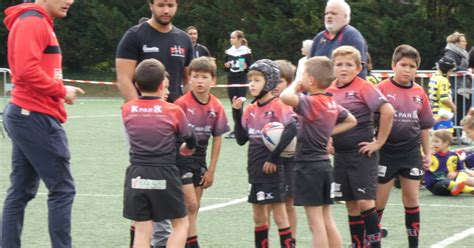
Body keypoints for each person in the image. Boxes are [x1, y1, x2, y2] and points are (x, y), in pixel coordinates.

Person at [2, 1, 84, 247]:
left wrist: (58, 92)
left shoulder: (39, 21)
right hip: (34, 115)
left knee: (20, 191)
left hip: (28, 114)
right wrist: (61, 90)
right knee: (62, 190)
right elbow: (26, 72)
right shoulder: (33, 22)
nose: (70, 1)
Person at [280, 56, 357, 248]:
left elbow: (284, 97)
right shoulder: (331, 103)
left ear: (311, 80)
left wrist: (296, 86)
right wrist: (327, 132)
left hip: (308, 166)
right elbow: (351, 120)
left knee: (315, 223)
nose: (301, 78)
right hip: (324, 165)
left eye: (303, 75)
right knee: (326, 218)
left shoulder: (310, 102)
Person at [122, 58, 197, 248]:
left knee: (142, 228)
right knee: (181, 224)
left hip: (137, 173)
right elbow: (190, 138)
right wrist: (187, 149)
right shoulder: (173, 110)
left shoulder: (127, 109)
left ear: (137, 85)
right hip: (164, 171)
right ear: (163, 84)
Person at [326, 46, 394, 248]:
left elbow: (388, 111)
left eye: (349, 64)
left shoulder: (363, 87)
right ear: (333, 67)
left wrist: (379, 142)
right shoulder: (330, 90)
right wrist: (328, 139)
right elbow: (326, 120)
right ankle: (358, 244)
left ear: (358, 68)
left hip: (362, 155)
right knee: (351, 205)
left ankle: (374, 245)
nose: (343, 68)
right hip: (341, 156)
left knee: (365, 203)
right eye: (339, 64)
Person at [232, 59, 296, 248]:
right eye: (250, 79)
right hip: (255, 170)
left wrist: (273, 157)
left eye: (257, 79)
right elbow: (241, 139)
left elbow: (292, 129)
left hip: (273, 170)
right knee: (258, 218)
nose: (251, 83)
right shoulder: (250, 109)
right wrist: (237, 114)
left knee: (279, 216)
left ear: (269, 82)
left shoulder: (279, 105)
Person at [375, 45, 435, 248]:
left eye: (412, 66)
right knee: (378, 203)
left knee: (411, 200)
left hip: (410, 153)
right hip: (385, 152)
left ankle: (413, 244)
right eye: (403, 65)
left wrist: (427, 153)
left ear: (417, 69)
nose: (407, 70)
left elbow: (425, 126)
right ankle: (372, 242)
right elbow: (370, 119)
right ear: (393, 65)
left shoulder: (419, 92)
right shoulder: (382, 89)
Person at [174, 57, 229, 248]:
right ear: (189, 79)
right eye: (195, 76)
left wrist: (211, 170)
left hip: (200, 160)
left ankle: (183, 242)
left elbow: (218, 138)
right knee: (190, 205)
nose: (199, 81)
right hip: (181, 158)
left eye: (204, 77)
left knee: (193, 209)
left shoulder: (216, 106)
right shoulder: (181, 104)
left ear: (213, 81)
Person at [116, 0, 194, 103]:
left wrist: (186, 108)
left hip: (174, 113)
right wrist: (140, 109)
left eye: (170, 5)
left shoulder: (184, 39)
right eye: (161, 5)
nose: (166, 10)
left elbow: (189, 81)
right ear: (151, 6)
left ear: (177, 6)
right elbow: (124, 79)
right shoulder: (133, 36)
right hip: (144, 113)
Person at [268, 59, 297, 241]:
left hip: (291, 159)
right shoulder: (263, 103)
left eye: (280, 81)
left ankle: (290, 241)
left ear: (289, 83)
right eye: (273, 81)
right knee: (268, 204)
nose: (276, 85)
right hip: (268, 160)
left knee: (288, 203)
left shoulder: (294, 103)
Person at [310, 0, 368, 78]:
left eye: (334, 13)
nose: (329, 16)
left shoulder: (352, 36)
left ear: (345, 17)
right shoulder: (319, 38)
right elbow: (309, 67)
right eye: (326, 13)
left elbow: (358, 71)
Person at [426, 130, 474, 196]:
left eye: (436, 141)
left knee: (463, 174)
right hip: (438, 186)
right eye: (432, 141)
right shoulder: (430, 155)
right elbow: (421, 165)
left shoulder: (454, 155)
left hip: (453, 186)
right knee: (445, 182)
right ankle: (469, 190)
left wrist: (455, 173)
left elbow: (461, 169)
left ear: (445, 143)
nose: (433, 144)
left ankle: (459, 186)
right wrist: (427, 155)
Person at [224, 30, 253, 138]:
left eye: (233, 38)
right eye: (231, 37)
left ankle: (242, 128)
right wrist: (227, 65)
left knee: (240, 103)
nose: (231, 39)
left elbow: (250, 67)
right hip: (231, 80)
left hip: (241, 80)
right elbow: (225, 67)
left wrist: (245, 66)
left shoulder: (246, 51)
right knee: (233, 104)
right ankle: (236, 129)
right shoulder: (228, 52)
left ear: (240, 39)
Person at [443, 32, 470, 123]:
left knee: (463, 110)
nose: (466, 43)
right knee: (458, 111)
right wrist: (466, 71)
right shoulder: (450, 53)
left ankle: (459, 131)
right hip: (456, 87)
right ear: (456, 43)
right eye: (463, 41)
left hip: (463, 86)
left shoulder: (462, 53)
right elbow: (451, 65)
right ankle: (455, 132)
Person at [429, 56, 457, 131]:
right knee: (445, 139)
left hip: (434, 113)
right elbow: (444, 99)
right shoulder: (443, 80)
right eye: (450, 71)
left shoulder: (434, 77)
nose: (450, 74)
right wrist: (453, 107)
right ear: (445, 70)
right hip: (443, 114)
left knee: (436, 139)